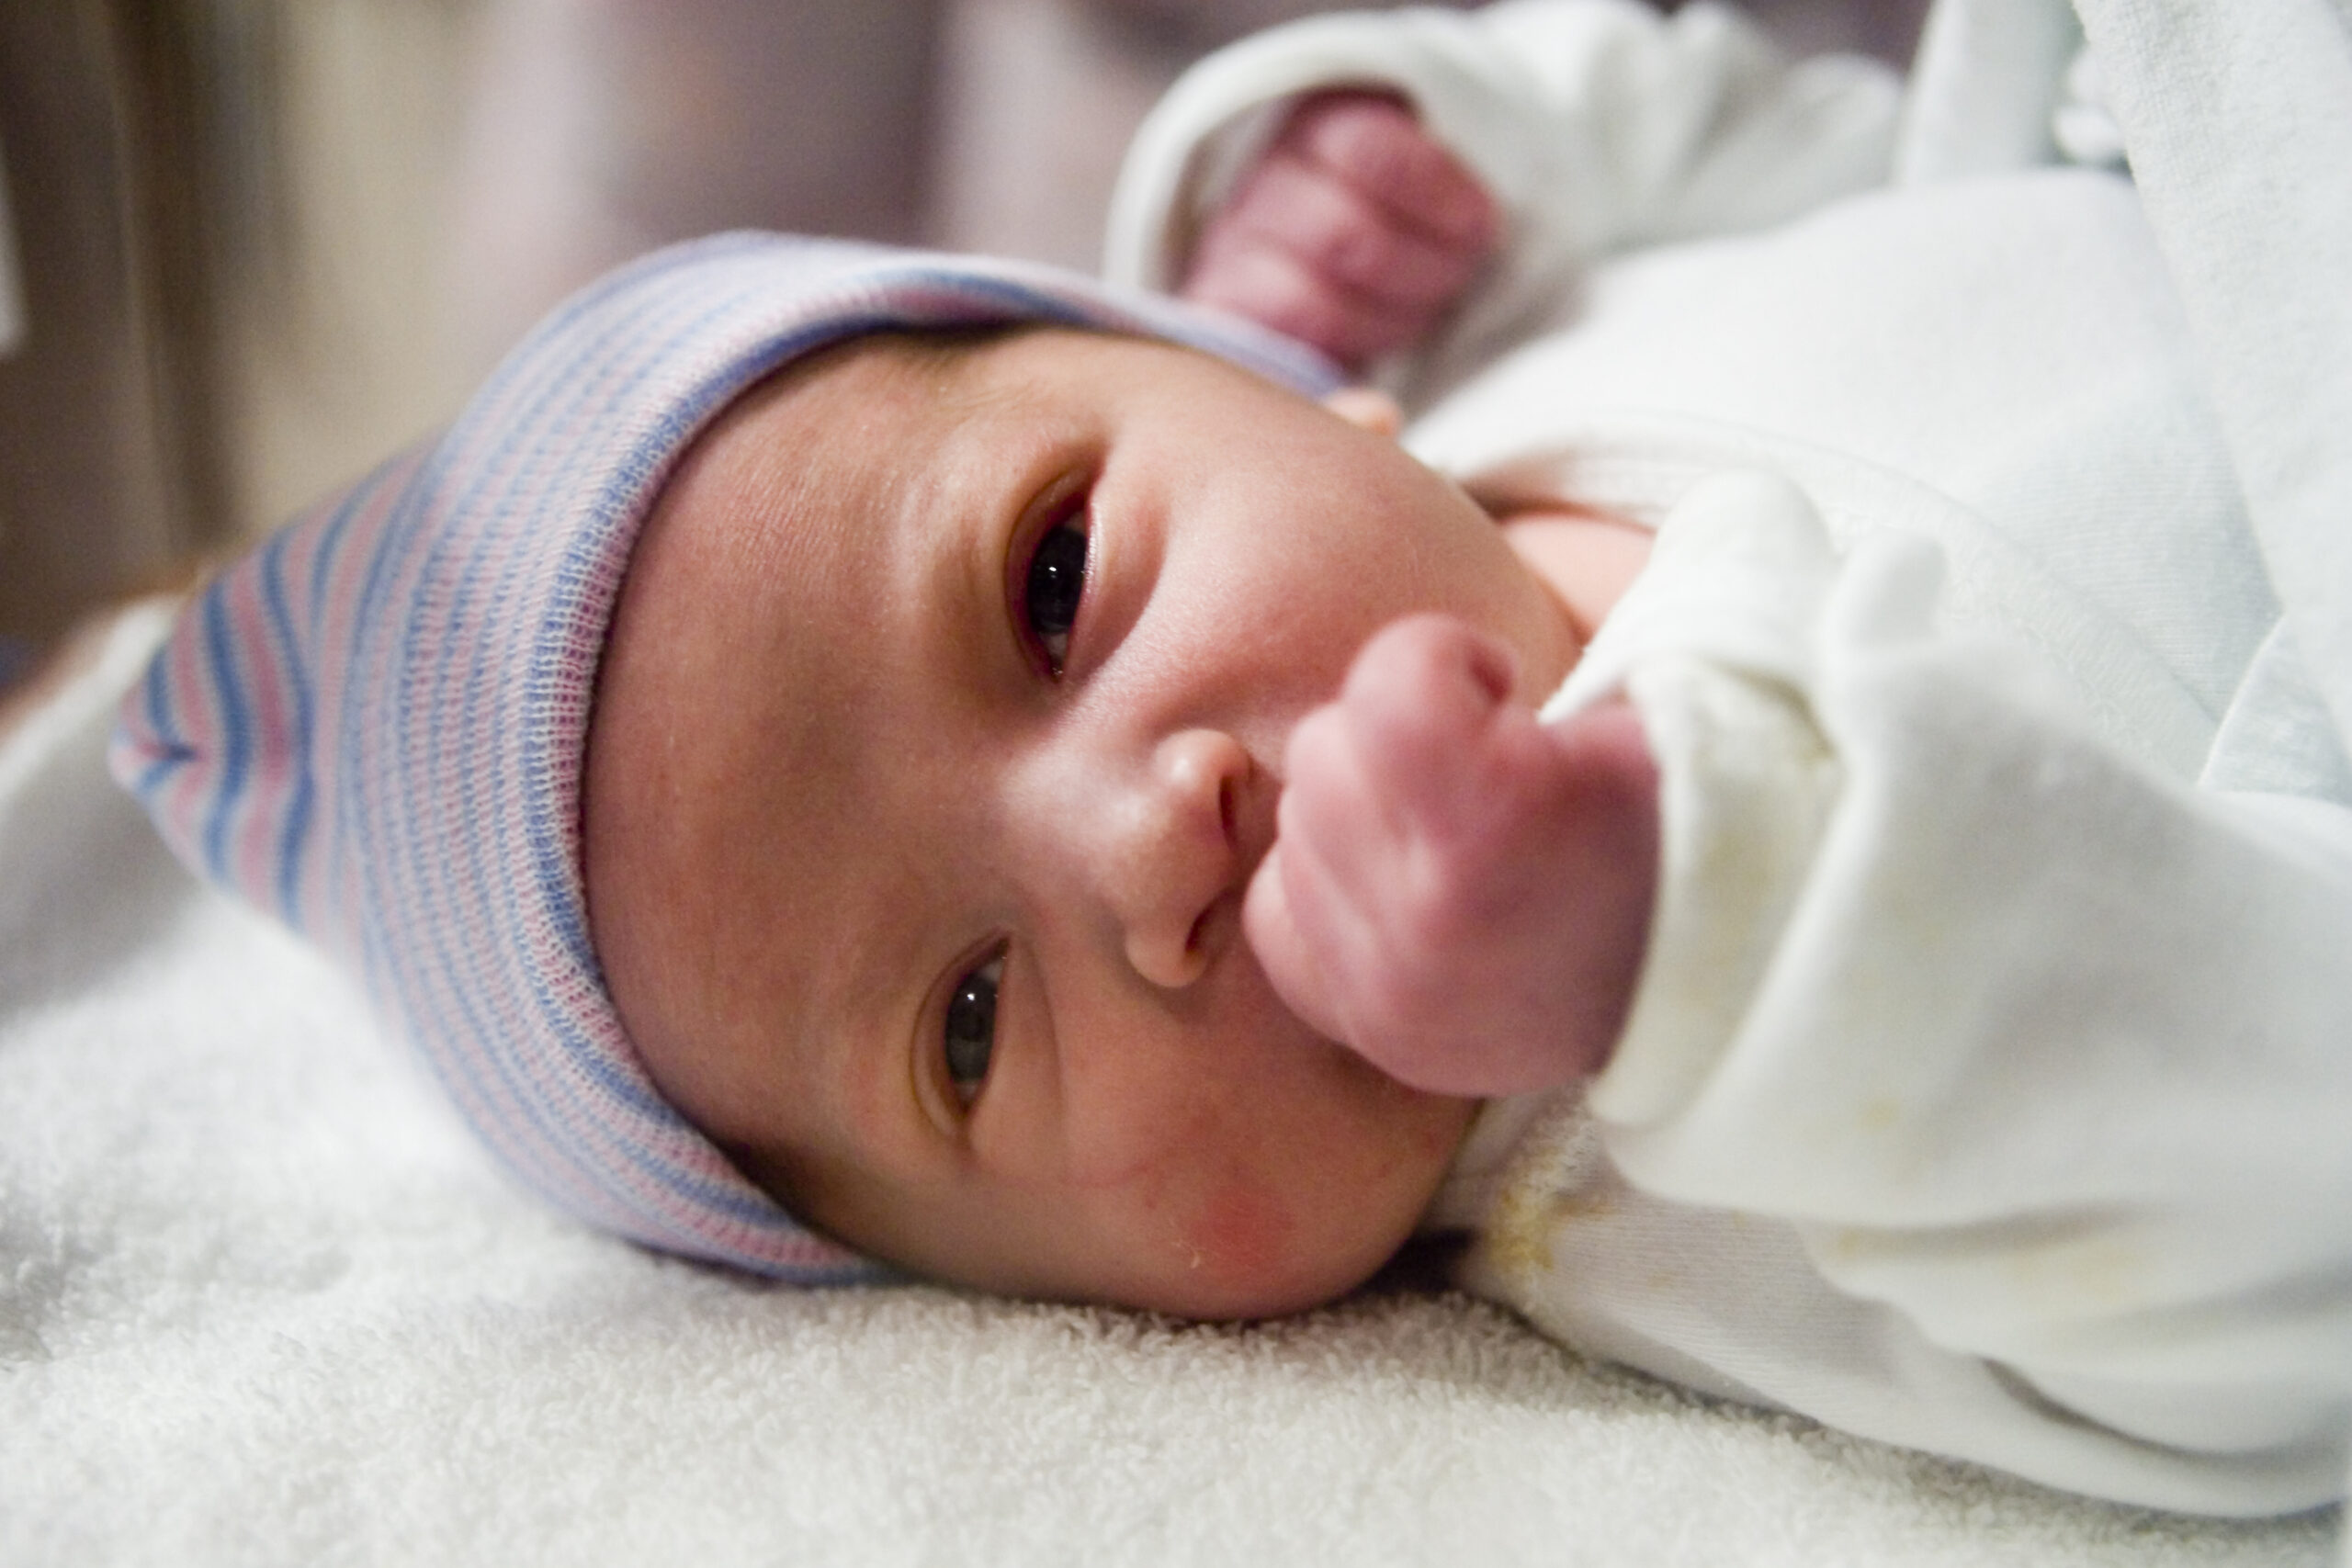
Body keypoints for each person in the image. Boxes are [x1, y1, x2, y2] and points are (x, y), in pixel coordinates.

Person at [109, 0, 2352, 1525]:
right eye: (968, 1024)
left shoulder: (1520, 349)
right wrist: (1708, 949)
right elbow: (2282, 1278)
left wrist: (1445, 139)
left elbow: (1854, 151)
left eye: (1055, 580)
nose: (1138, 835)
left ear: (1251, 369)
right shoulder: (1670, 1179)